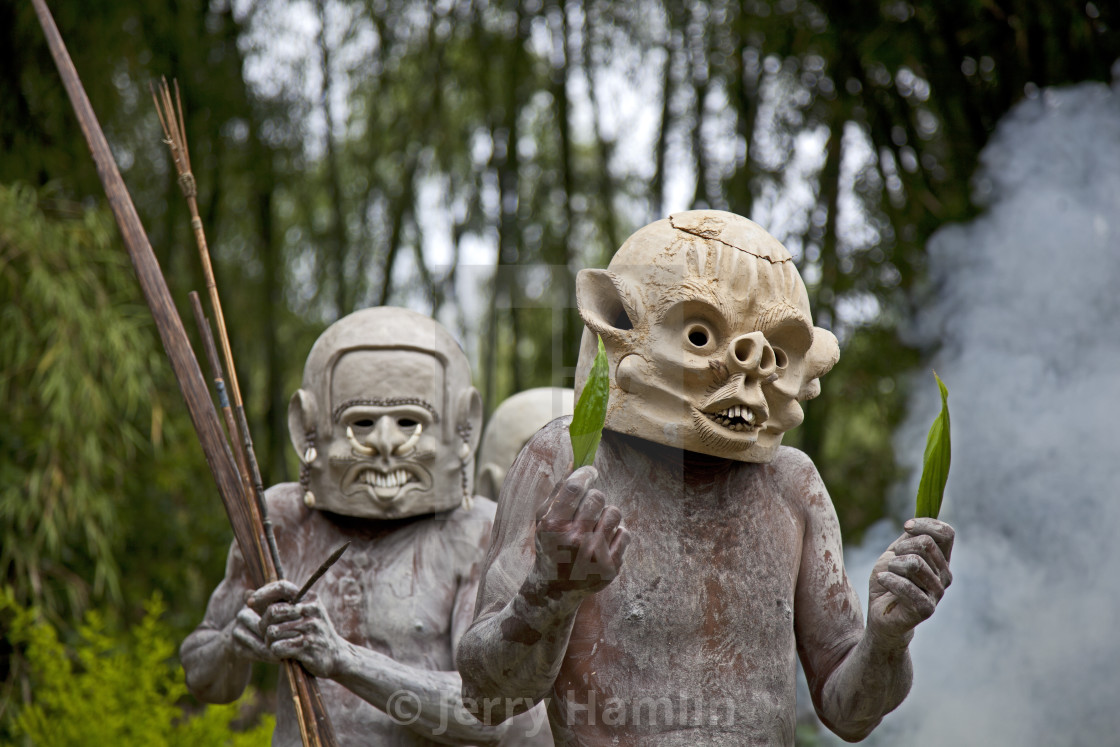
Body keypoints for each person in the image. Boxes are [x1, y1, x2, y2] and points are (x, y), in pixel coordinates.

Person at [456, 211, 955, 745]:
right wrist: (548, 592)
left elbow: (849, 712)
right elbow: (487, 698)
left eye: (775, 353)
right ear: (617, 322)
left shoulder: (792, 483)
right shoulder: (569, 460)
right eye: (699, 336)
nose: (748, 375)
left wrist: (885, 638)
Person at [182, 306, 546, 745]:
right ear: (307, 430)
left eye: (410, 422)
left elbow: (487, 712)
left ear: (463, 429)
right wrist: (232, 646)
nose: (386, 446)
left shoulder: (479, 533)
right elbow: (205, 681)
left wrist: (342, 659)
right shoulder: (280, 520)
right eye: (362, 423)